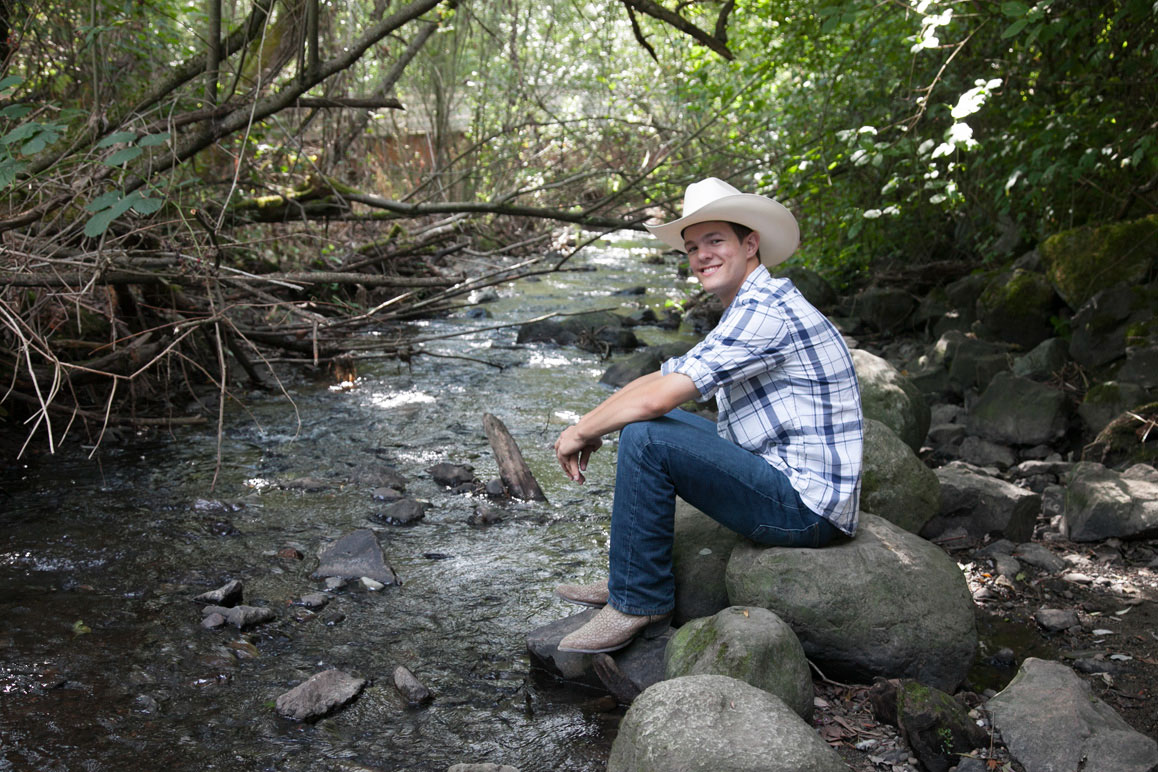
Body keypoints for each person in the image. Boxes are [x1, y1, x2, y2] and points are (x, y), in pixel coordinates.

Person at [552, 177, 863, 654]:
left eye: (715, 240)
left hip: (807, 508)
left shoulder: (765, 313)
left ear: (750, 243)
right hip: (789, 481)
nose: (701, 256)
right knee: (642, 428)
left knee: (648, 436)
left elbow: (658, 401)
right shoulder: (752, 304)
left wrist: (582, 431)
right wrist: (587, 424)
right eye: (692, 247)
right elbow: (658, 379)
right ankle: (629, 579)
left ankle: (637, 601)